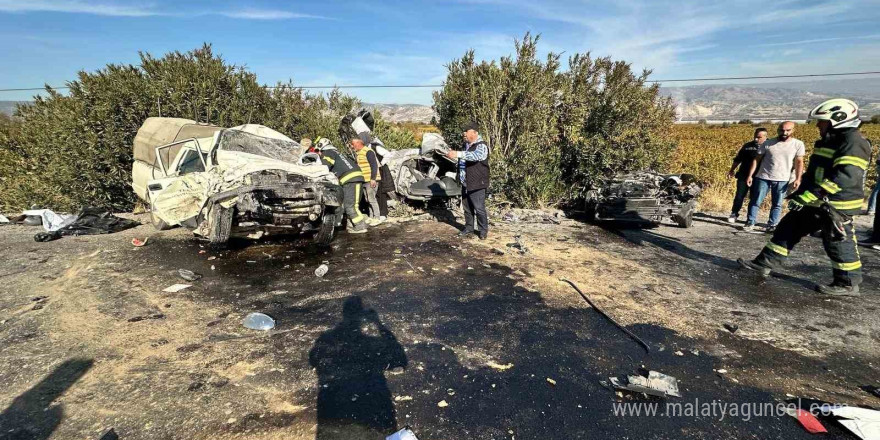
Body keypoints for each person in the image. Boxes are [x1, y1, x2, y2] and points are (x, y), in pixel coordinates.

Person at [739, 98, 871, 296]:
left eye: (822, 121)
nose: (818, 125)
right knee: (788, 227)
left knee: (837, 242)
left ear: (838, 120)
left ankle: (847, 283)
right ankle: (764, 263)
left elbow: (844, 178)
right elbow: (815, 172)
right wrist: (800, 193)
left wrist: (810, 195)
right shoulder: (830, 141)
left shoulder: (853, 143)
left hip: (836, 204)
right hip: (818, 201)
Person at [743, 121, 805, 233]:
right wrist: (750, 175)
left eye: (787, 130)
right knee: (755, 200)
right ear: (778, 130)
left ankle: (772, 224)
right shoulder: (767, 143)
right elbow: (756, 160)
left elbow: (799, 162)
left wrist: (798, 178)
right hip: (763, 177)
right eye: (782, 130)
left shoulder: (798, 144)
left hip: (782, 179)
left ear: (793, 130)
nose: (784, 132)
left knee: (777, 204)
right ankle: (750, 221)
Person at [446, 121, 490, 240]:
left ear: (474, 132)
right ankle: (469, 228)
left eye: (467, 131)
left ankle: (483, 231)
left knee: (479, 208)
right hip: (466, 182)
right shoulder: (465, 145)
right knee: (467, 208)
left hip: (477, 182)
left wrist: (457, 154)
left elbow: (477, 156)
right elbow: (463, 160)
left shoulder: (481, 145)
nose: (464, 133)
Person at [316, 137, 368, 234]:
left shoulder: (327, 153)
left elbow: (324, 167)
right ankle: (353, 225)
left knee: (351, 206)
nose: (318, 154)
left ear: (321, 147)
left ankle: (360, 226)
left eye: (318, 151)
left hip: (350, 180)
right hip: (353, 179)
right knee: (350, 204)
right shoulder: (337, 152)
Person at [727, 128, 767, 223]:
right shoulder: (747, 146)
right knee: (739, 196)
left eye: (759, 137)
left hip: (760, 177)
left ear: (765, 137)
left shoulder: (770, 146)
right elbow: (738, 159)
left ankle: (750, 218)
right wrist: (732, 170)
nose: (756, 139)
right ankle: (734, 213)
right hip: (743, 175)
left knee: (754, 198)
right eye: (755, 137)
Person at [352, 138, 382, 226]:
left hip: (370, 179)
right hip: (364, 180)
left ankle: (377, 217)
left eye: (352, 144)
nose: (352, 146)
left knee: (371, 198)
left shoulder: (368, 151)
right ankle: (371, 216)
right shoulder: (358, 153)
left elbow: (374, 165)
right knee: (367, 199)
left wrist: (373, 178)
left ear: (358, 144)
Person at [370, 137, 396, 222]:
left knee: (381, 192)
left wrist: (381, 164)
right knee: (374, 193)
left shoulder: (375, 147)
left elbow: (388, 154)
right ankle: (376, 213)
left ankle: (383, 213)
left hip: (380, 171)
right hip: (372, 171)